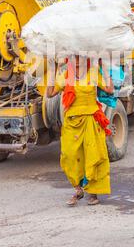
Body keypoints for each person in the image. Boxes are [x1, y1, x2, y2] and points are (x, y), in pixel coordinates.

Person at [47, 56, 114, 206]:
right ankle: (78, 189)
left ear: (86, 58)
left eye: (80, 57)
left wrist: (106, 67)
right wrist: (52, 70)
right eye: (74, 57)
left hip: (91, 120)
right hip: (71, 121)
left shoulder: (94, 73)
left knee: (93, 155)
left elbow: (110, 90)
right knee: (69, 155)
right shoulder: (65, 75)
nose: (77, 60)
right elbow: (50, 93)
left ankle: (93, 193)